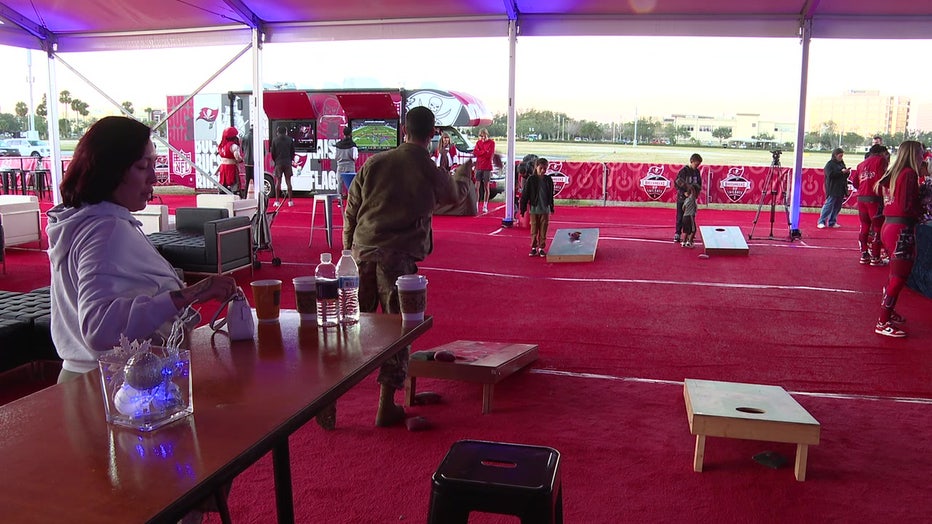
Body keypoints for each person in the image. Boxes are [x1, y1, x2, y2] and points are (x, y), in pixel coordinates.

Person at [46, 116, 237, 383]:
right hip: (111, 386)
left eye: (153, 164)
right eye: (141, 166)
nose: (153, 177)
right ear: (110, 171)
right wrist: (189, 294)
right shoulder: (106, 230)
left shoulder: (82, 221)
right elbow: (98, 328)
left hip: (86, 379)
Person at [343, 106, 461, 429]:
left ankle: (326, 400)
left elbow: (351, 209)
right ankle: (386, 406)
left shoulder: (374, 163)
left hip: (361, 252)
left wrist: (347, 249)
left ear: (403, 129)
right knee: (399, 330)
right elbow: (453, 194)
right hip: (397, 259)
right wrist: (462, 180)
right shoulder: (427, 166)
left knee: (349, 329)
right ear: (432, 132)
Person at [873, 140, 924, 338]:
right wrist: (922, 210)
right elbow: (906, 206)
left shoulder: (894, 172)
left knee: (894, 274)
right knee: (899, 275)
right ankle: (882, 320)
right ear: (913, 154)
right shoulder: (909, 174)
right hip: (901, 228)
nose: (923, 156)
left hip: (890, 226)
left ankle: (887, 312)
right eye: (921, 152)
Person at [852, 144, 890, 265]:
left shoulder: (861, 164)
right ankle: (876, 257)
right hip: (875, 197)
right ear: (881, 153)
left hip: (862, 198)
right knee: (877, 228)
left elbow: (855, 183)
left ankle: (864, 253)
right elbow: (882, 178)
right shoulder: (881, 161)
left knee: (864, 226)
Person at [519, 157, 555, 257]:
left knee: (543, 230)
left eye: (545, 168)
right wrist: (522, 209)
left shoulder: (548, 180)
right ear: (536, 167)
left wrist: (551, 207)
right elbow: (525, 195)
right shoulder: (531, 179)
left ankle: (541, 248)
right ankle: (534, 247)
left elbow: (550, 195)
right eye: (541, 168)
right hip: (534, 210)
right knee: (534, 230)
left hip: (545, 210)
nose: (543, 170)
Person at [818, 148, 850, 229]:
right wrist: (841, 172)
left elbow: (845, 176)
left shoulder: (841, 163)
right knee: (829, 205)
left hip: (841, 187)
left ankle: (832, 221)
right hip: (832, 188)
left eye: (842, 156)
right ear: (835, 155)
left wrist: (846, 172)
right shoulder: (830, 164)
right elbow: (830, 175)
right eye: (840, 156)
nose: (841, 158)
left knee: (837, 206)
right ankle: (821, 221)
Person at [674, 153, 702, 243]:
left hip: (691, 199)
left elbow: (699, 184)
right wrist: (684, 192)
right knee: (680, 216)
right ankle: (678, 233)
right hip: (682, 198)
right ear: (691, 161)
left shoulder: (697, 172)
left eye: (699, 165)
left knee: (691, 217)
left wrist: (696, 193)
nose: (697, 166)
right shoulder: (683, 171)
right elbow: (677, 183)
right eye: (696, 164)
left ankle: (689, 234)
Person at [270, 125, 296, 207]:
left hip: (278, 163)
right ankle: (290, 201)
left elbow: (272, 153)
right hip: (288, 162)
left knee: (278, 181)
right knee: (288, 182)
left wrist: (276, 160)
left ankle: (277, 201)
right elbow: (293, 152)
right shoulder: (290, 140)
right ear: (286, 131)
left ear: (278, 132)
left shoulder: (275, 140)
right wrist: (290, 159)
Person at [473, 128, 495, 213]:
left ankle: (485, 205)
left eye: (483, 135)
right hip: (479, 166)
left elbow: (490, 154)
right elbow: (475, 152)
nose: (482, 137)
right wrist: (484, 152)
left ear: (487, 134)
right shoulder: (478, 143)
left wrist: (481, 152)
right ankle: (476, 205)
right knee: (476, 187)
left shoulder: (491, 143)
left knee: (486, 186)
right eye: (481, 136)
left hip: (487, 167)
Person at [216, 126, 242, 194]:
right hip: (231, 167)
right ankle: (235, 194)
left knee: (222, 182)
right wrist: (240, 160)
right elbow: (237, 157)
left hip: (223, 167)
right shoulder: (234, 146)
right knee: (234, 183)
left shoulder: (221, 146)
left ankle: (221, 193)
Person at [680, 183, 700, 248]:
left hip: (684, 216)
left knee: (686, 231)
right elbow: (693, 191)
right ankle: (689, 242)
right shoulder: (692, 197)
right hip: (690, 216)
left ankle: (684, 242)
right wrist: (690, 186)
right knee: (693, 230)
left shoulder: (686, 199)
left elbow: (683, 208)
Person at [240, 124, 255, 199]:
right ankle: (257, 196)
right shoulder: (256, 137)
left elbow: (242, 150)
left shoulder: (244, 137)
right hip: (255, 163)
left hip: (247, 162)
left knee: (247, 181)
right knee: (256, 182)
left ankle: (245, 196)